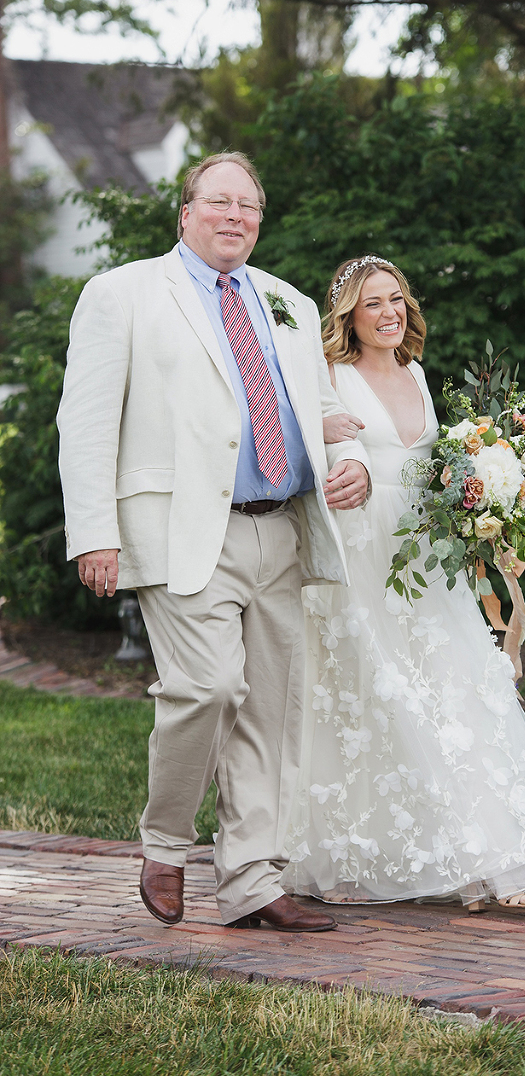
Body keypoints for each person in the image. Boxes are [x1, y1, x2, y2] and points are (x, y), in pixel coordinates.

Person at [57, 152, 371, 934]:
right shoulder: (122, 293)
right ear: (186, 211)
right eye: (220, 202)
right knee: (207, 688)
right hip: (181, 532)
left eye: (250, 207)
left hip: (284, 530)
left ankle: (252, 882)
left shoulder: (287, 302)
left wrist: (355, 462)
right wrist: (95, 533)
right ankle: (165, 844)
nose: (236, 217)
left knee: (271, 710)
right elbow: (87, 421)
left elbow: (329, 409)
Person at [282, 256, 525, 910]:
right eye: (372, 304)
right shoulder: (330, 375)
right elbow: (317, 453)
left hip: (426, 556)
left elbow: (434, 467)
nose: (389, 313)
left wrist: (482, 499)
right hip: (363, 551)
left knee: (453, 689)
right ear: (349, 318)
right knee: (376, 699)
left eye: (396, 300)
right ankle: (417, 860)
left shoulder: (415, 372)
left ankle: (488, 863)